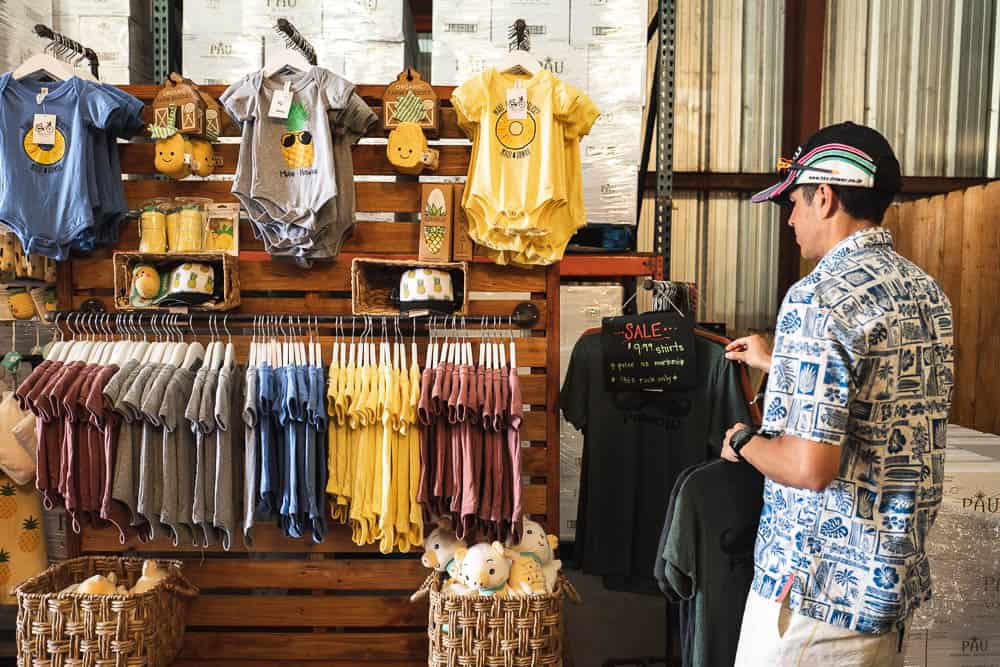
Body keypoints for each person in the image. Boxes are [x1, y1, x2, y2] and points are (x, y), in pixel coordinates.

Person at [721, 122, 954, 666]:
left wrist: (745, 439)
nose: (790, 218)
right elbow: (883, 400)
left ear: (824, 197)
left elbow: (809, 467)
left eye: (795, 202)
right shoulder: (924, 292)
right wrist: (780, 360)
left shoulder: (817, 298)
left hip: (814, 594)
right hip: (884, 589)